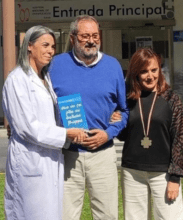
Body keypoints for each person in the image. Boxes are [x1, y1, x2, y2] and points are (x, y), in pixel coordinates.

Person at [2, 25, 87, 220]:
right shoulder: (17, 80)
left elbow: (51, 118)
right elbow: (27, 128)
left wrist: (71, 130)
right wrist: (66, 134)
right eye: (45, 45)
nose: (50, 51)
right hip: (29, 161)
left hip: (51, 159)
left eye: (53, 47)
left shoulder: (45, 79)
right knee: (29, 213)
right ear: (29, 46)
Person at [49, 15, 128, 220]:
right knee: (65, 215)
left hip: (102, 154)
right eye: (85, 36)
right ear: (73, 38)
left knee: (107, 215)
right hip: (67, 154)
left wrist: (108, 134)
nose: (91, 40)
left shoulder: (113, 67)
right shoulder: (55, 65)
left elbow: (124, 110)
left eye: (95, 35)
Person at [118, 48, 183, 220]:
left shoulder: (171, 99)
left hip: (163, 173)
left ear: (159, 69)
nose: (150, 76)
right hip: (132, 171)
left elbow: (180, 139)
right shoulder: (128, 99)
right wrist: (116, 120)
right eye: (143, 71)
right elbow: (124, 136)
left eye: (154, 70)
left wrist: (175, 177)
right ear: (135, 73)